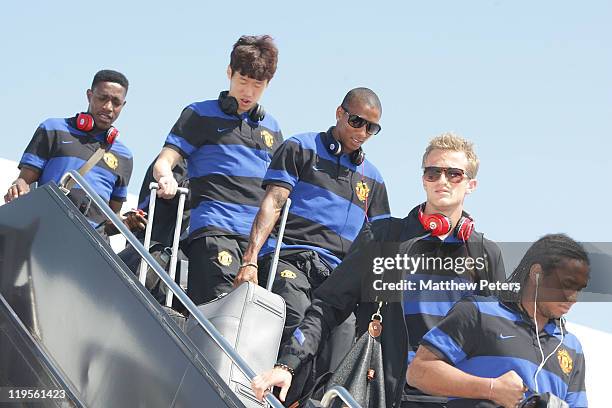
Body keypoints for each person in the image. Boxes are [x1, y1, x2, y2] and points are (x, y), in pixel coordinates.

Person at [251, 133, 505, 408]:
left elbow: (498, 337)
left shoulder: (485, 254)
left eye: (454, 174)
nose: (442, 181)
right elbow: (328, 305)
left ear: (471, 184)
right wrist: (288, 364)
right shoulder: (384, 237)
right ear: (423, 179)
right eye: (433, 172)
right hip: (388, 395)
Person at [237, 87, 391, 400]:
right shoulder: (301, 147)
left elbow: (380, 242)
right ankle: (276, 391)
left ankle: (303, 401)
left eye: (372, 128)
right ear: (339, 113)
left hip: (337, 278)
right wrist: (250, 259)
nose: (363, 132)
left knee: (344, 335)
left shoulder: (373, 178)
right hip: (289, 259)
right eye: (357, 122)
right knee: (298, 313)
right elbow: (273, 202)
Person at [153, 35, 282, 305]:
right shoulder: (199, 114)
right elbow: (165, 160)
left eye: (257, 85)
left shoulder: (272, 128)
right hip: (213, 232)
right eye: (242, 81)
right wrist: (166, 178)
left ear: (268, 84)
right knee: (218, 316)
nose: (248, 92)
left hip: (257, 245)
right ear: (229, 73)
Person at [407, 234, 589, 408]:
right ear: (536, 273)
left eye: (579, 289)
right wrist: (492, 388)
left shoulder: (572, 347)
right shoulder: (477, 311)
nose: (573, 298)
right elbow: (418, 372)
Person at [4, 69, 145, 236]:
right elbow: (23, 181)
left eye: (116, 102)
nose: (108, 107)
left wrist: (126, 223)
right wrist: (18, 187)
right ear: (89, 95)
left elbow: (108, 220)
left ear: (123, 105)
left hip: (90, 248)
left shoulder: (125, 157)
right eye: (102, 98)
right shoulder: (53, 128)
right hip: (45, 234)